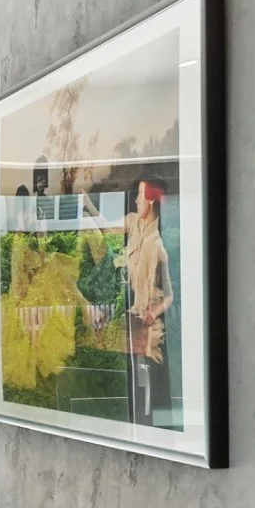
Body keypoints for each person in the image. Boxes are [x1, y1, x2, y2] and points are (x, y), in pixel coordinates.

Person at [117, 175, 174, 425]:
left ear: (150, 200)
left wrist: (154, 311)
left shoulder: (157, 247)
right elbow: (111, 226)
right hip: (135, 327)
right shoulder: (136, 229)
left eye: (140, 195)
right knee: (137, 392)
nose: (136, 200)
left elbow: (170, 295)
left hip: (151, 336)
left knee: (150, 394)